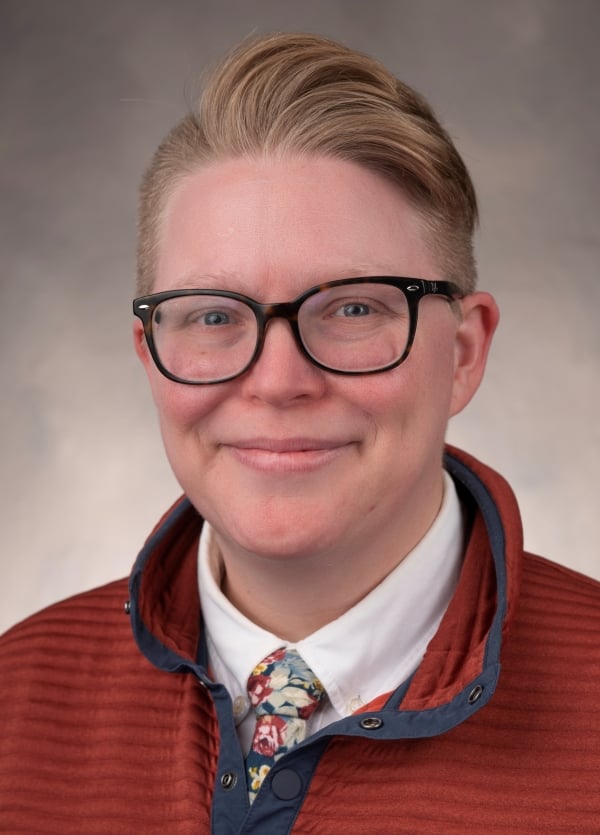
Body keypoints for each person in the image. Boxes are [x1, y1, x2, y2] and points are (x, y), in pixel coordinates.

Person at [0, 32, 598, 834]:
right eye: (214, 314)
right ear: (151, 356)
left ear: (463, 353)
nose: (278, 382)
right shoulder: (17, 693)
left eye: (353, 308)